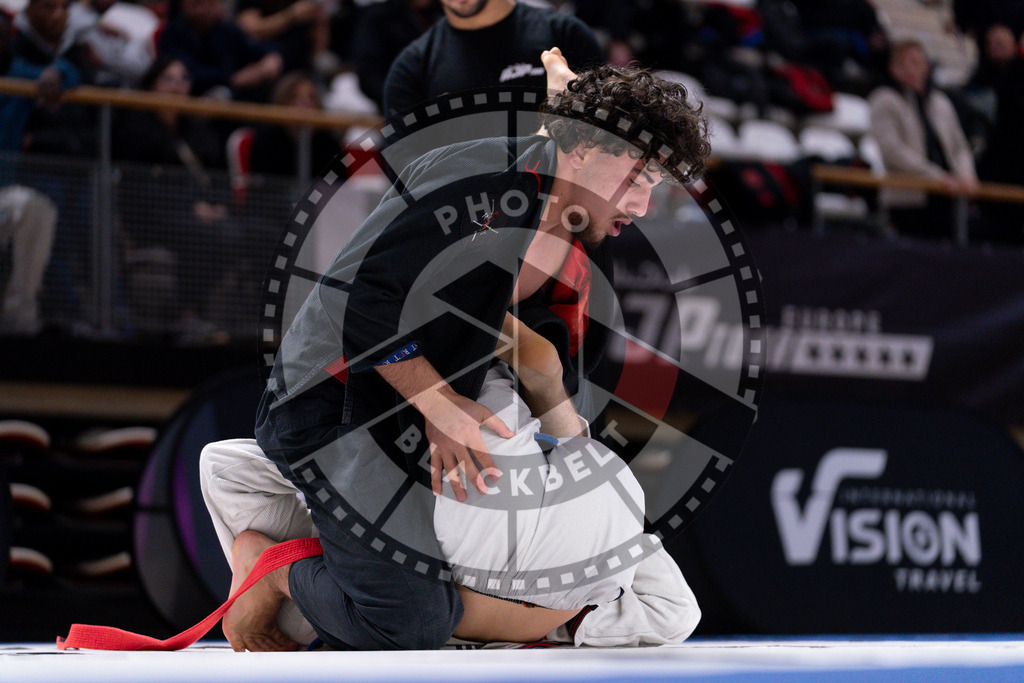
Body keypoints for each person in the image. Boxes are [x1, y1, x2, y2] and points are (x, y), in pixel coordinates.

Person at [210, 52, 708, 652]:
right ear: (581, 147)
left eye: (654, 185)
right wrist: (439, 405)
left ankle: (375, 569)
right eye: (635, 177)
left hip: (438, 416)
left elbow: (568, 379)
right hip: (335, 407)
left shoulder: (586, 241)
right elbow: (365, 300)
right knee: (409, 623)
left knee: (632, 589)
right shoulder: (476, 177)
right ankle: (273, 567)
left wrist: (536, 387)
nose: (640, 206)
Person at [201, 312, 700, 648]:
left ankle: (487, 332)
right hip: (485, 534)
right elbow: (673, 607)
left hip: (518, 531)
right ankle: (484, 328)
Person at [382, 0, 602, 120]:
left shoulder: (565, 34)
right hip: (467, 201)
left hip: (557, 196)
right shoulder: (412, 66)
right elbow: (403, 164)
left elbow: (603, 128)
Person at [868, 40, 978, 240]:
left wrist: (966, 174)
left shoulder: (940, 101)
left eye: (915, 62)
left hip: (946, 198)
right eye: (902, 63)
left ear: (926, 67)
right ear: (892, 68)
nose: (910, 69)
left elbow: (959, 147)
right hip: (908, 200)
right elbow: (893, 151)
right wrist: (938, 177)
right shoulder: (884, 99)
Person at [157, 0, 283, 101]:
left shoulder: (225, 30)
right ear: (183, 4)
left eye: (210, 3)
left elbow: (254, 47)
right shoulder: (172, 34)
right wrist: (232, 78)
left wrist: (271, 57)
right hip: (192, 98)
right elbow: (189, 73)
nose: (203, 10)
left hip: (235, 97)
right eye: (197, 4)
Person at [0, 185, 57, 335]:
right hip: (42, 208)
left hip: (34, 210)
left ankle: (18, 322)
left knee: (28, 272)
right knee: (30, 273)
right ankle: (21, 320)